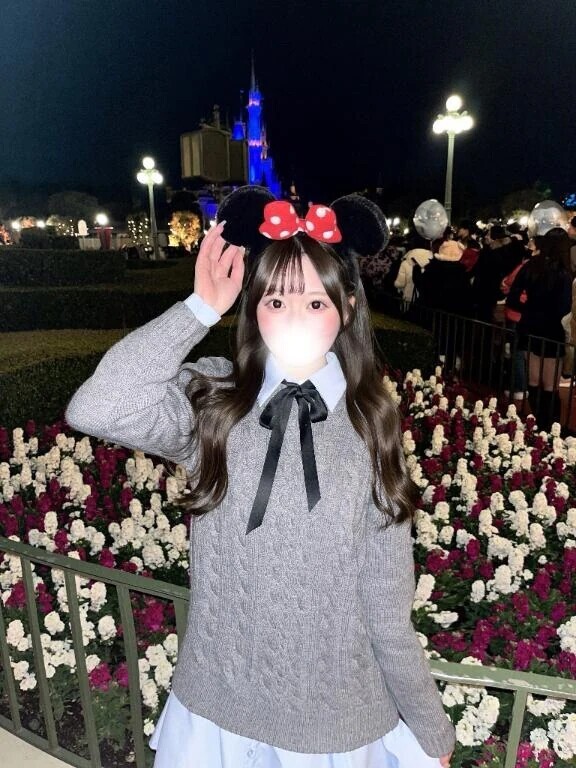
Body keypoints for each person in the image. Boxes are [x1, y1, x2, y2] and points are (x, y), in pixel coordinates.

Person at [66, 186, 455, 768]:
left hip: (330, 722)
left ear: (347, 308)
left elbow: (384, 605)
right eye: (275, 299)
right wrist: (199, 308)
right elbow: (98, 405)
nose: (294, 316)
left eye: (316, 302)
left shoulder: (369, 426)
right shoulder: (216, 402)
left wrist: (430, 729)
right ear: (253, 308)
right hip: (215, 708)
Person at [507, 229, 572, 430]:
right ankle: (549, 427)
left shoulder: (531, 266)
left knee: (534, 379)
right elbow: (564, 307)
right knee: (550, 384)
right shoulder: (564, 273)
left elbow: (513, 297)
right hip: (552, 330)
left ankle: (537, 422)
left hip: (529, 326)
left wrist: (528, 307)